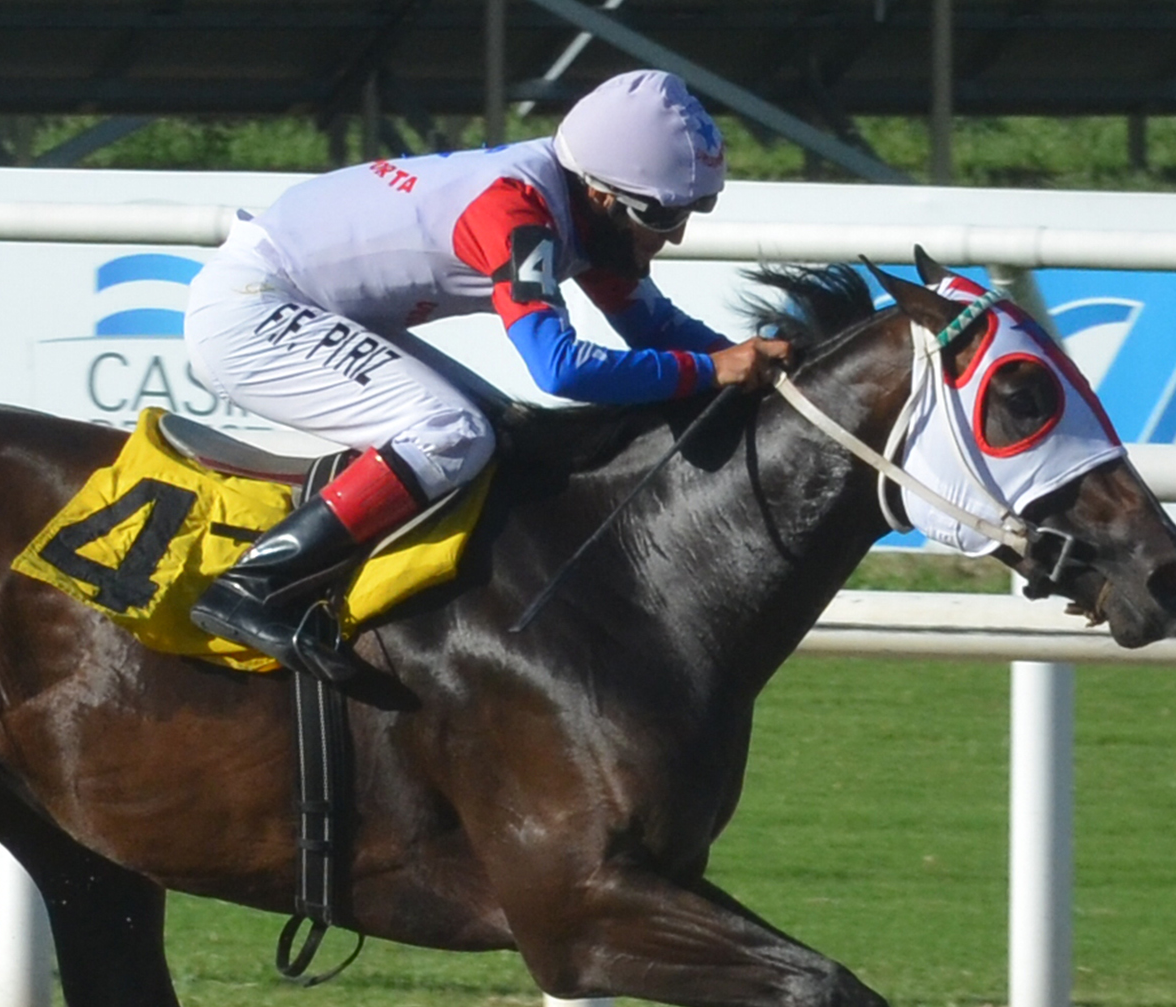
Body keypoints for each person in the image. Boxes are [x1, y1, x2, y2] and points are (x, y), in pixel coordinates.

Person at [182, 69, 793, 681]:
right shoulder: (517, 213)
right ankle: (250, 585)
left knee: (507, 432)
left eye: (692, 211)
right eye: (662, 217)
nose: (677, 237)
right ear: (604, 195)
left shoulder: (584, 207)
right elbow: (560, 370)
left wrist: (767, 362)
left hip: (306, 299)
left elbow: (654, 327)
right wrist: (711, 370)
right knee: (452, 433)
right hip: (252, 309)